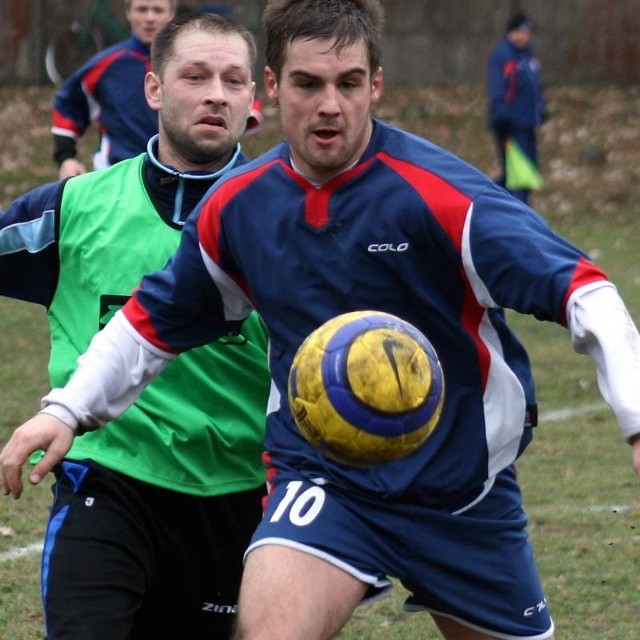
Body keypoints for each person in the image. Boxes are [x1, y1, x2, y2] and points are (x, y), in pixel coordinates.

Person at [2, 1, 640, 639]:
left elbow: (586, 293)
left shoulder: (444, 196)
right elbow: (152, 321)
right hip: (325, 483)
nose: (329, 105)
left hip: (462, 494)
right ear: (274, 88)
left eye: (349, 83)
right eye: (308, 84)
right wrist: (67, 409)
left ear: (376, 85)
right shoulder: (240, 207)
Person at [0, 11, 270, 640]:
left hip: (236, 498)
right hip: (107, 480)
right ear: (152, 88)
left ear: (253, 99)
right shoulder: (75, 208)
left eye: (233, 81)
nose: (214, 95)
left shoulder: (287, 220)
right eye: (195, 76)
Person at [52, 0, 177, 179]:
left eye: (157, 10)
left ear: (171, 14)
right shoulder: (105, 65)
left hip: (175, 179)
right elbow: (69, 103)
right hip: (115, 178)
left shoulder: (191, 67)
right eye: (142, 9)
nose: (149, 18)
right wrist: (65, 158)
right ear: (128, 12)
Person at [487, 12, 547, 204]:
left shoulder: (528, 55)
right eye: (519, 32)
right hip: (510, 125)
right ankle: (516, 214)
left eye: (527, 32)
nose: (524, 36)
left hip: (528, 123)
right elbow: (497, 89)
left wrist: (542, 107)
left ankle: (487, 200)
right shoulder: (503, 55)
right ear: (511, 33)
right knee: (519, 175)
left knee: (526, 172)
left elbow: (533, 87)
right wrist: (502, 117)